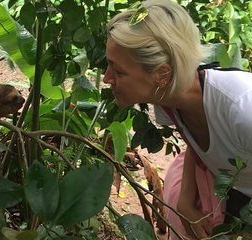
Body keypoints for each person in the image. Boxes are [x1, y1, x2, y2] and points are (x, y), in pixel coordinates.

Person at [103, 0, 252, 239]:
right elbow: (195, 145)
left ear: (163, 73)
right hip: (232, 192)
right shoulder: (167, 99)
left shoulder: (243, 109)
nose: (106, 78)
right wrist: (184, 203)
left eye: (118, 71)